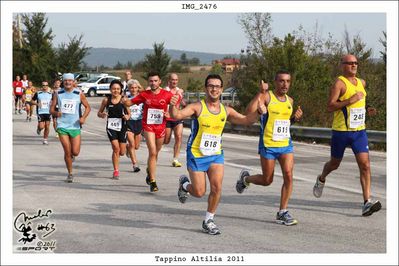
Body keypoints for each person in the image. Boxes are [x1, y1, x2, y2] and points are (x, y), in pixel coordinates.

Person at [170, 74, 265, 235]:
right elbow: (177, 115)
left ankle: (208, 220)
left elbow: (246, 120)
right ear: (206, 88)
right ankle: (185, 185)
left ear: (221, 89)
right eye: (211, 86)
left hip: (215, 155)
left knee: (217, 188)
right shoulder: (197, 107)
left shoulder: (226, 110)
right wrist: (173, 105)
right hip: (196, 154)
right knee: (199, 192)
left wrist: (259, 112)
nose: (214, 89)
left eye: (217, 86)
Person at [313, 54, 381, 217]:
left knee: (365, 165)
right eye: (350, 63)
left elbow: (359, 104)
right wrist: (349, 100)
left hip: (359, 132)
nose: (353, 65)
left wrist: (367, 109)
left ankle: (367, 202)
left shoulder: (362, 83)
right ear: (342, 65)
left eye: (356, 63)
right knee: (335, 164)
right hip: (341, 132)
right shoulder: (339, 83)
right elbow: (330, 106)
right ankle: (321, 178)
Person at [235, 71, 303, 226]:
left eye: (288, 81)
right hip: (268, 144)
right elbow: (248, 112)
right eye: (281, 81)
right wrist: (260, 93)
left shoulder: (290, 101)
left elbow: (285, 123)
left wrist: (295, 118)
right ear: (275, 82)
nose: (285, 84)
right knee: (267, 180)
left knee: (288, 175)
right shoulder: (267, 97)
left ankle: (282, 212)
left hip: (285, 144)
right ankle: (246, 179)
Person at [123, 72, 179, 192]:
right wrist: (125, 101)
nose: (153, 83)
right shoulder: (144, 94)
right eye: (151, 81)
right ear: (148, 82)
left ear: (160, 82)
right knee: (152, 151)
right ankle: (153, 181)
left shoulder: (167, 94)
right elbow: (130, 103)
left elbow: (174, 109)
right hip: (148, 126)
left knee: (156, 153)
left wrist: (169, 112)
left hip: (161, 126)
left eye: (155, 81)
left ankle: (150, 170)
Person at [50, 73, 91, 183]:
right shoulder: (58, 93)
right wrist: (56, 113)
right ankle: (70, 173)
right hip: (62, 126)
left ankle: (71, 156)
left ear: (73, 82)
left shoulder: (79, 93)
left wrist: (83, 118)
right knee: (67, 151)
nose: (68, 82)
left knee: (75, 152)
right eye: (66, 81)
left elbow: (88, 107)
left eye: (70, 80)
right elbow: (51, 109)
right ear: (63, 82)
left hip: (75, 126)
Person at [97, 80, 130, 179]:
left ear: (120, 90)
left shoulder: (124, 100)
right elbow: (99, 113)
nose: (115, 91)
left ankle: (127, 148)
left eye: (117, 89)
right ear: (110, 89)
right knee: (116, 148)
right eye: (113, 89)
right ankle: (116, 171)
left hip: (122, 126)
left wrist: (127, 117)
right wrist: (102, 114)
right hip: (111, 127)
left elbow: (129, 113)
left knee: (122, 152)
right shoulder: (106, 100)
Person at [163, 73, 186, 167]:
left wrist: (184, 107)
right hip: (167, 118)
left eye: (176, 80)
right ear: (169, 80)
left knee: (179, 136)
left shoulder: (180, 91)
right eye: (173, 80)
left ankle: (175, 159)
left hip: (177, 117)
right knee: (166, 140)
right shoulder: (164, 90)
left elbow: (181, 102)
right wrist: (164, 112)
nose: (174, 81)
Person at [125, 79, 144, 173]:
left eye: (135, 87)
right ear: (129, 88)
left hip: (139, 122)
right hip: (129, 122)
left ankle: (128, 148)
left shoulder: (141, 97)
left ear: (138, 88)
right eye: (131, 88)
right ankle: (135, 164)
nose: (133, 89)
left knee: (136, 146)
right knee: (132, 144)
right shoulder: (126, 98)